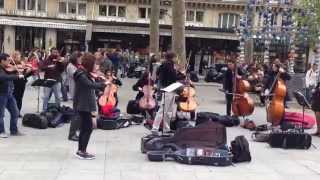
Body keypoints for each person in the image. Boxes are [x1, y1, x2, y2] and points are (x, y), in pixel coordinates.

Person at [73, 53, 109, 160]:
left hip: (85, 104)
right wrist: (103, 84)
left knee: (85, 128)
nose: (95, 66)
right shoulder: (80, 74)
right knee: (87, 128)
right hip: (83, 105)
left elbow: (92, 82)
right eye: (94, 64)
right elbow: (89, 85)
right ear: (89, 64)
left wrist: (99, 78)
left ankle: (81, 150)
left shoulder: (85, 73)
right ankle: (81, 151)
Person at [151, 52, 179, 135]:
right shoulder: (168, 66)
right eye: (175, 57)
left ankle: (166, 128)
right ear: (172, 58)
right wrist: (177, 72)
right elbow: (173, 78)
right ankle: (155, 128)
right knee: (163, 110)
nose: (176, 59)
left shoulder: (165, 65)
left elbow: (158, 73)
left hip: (168, 89)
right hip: (168, 89)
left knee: (168, 110)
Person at [0, 53, 25, 138]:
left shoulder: (7, 68)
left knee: (15, 112)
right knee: (1, 114)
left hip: (9, 93)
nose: (10, 62)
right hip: (1, 94)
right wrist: (16, 76)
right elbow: (3, 77)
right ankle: (1, 131)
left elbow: (10, 73)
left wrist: (21, 70)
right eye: (8, 60)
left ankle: (14, 130)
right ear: (2, 61)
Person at [40, 48, 66, 112]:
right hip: (48, 80)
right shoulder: (47, 60)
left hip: (57, 80)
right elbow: (42, 68)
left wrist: (61, 63)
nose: (55, 54)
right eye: (54, 52)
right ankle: (44, 110)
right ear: (51, 52)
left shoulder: (58, 60)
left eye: (56, 52)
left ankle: (58, 109)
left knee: (58, 97)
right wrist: (49, 67)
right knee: (46, 96)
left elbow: (62, 70)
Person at [11, 51, 33, 117]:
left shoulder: (22, 64)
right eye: (17, 56)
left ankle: (18, 111)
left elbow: (24, 75)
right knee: (15, 98)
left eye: (19, 56)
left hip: (22, 83)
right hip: (15, 83)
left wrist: (29, 72)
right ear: (14, 57)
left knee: (20, 98)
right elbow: (11, 74)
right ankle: (14, 112)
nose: (19, 58)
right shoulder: (11, 64)